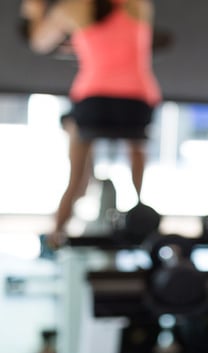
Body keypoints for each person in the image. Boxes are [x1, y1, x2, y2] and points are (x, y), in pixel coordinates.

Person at [23, 0, 161, 247]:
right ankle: (142, 216)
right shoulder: (138, 5)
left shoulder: (73, 8)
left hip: (94, 97)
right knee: (136, 148)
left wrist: (34, 13)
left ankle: (57, 232)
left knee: (76, 175)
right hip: (138, 99)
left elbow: (39, 42)